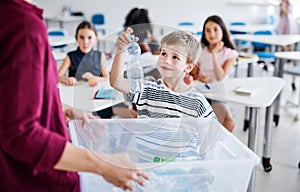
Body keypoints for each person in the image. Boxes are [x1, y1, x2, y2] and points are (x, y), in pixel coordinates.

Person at [0, 0, 148, 191]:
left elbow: (10, 101)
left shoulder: (12, 17)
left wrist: (62, 109)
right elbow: (20, 133)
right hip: (33, 179)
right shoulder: (24, 26)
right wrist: (103, 164)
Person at [110, 27, 214, 119]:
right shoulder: (147, 88)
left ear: (188, 67)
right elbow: (116, 82)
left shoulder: (197, 102)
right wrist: (120, 49)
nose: (166, 61)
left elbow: (210, 134)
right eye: (164, 53)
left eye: (175, 57)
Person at [57, 21, 115, 119]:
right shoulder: (70, 56)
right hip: (77, 99)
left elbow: (106, 78)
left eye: (89, 38)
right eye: (81, 37)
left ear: (96, 39)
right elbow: (56, 76)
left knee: (103, 114)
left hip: (95, 99)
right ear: (76, 38)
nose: (85, 42)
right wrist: (66, 79)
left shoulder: (100, 56)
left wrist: (95, 78)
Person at [190, 15, 238, 132]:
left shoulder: (230, 54)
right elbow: (191, 74)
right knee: (206, 119)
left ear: (223, 30)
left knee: (229, 123)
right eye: (208, 30)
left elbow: (220, 76)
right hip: (200, 91)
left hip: (218, 93)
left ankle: (213, 145)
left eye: (216, 29)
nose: (212, 34)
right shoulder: (201, 51)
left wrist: (214, 55)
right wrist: (199, 78)